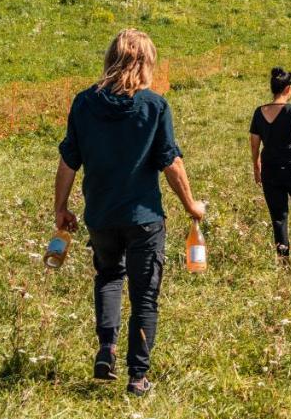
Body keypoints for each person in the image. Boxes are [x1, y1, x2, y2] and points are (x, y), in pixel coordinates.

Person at [54, 29, 205, 396]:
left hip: (101, 216)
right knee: (144, 296)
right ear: (146, 64)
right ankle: (137, 377)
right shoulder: (155, 107)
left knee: (108, 276)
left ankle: (106, 348)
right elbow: (171, 163)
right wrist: (191, 205)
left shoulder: (84, 103)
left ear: (111, 59)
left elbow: (68, 161)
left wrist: (60, 207)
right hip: (144, 219)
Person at [250, 67, 291, 265]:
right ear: (288, 89)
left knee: (278, 214)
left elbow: (254, 143)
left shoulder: (259, 113)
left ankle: (282, 259)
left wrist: (256, 165)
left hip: (269, 167)